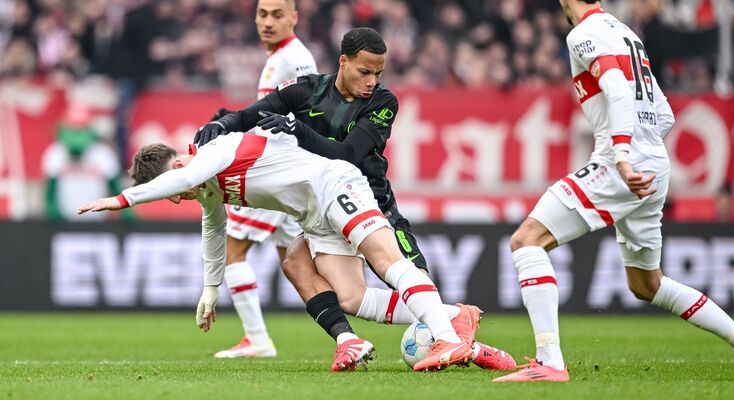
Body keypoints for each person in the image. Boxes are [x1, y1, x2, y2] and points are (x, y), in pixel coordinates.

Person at [493, 0, 734, 382]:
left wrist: (623, 155)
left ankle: (549, 362)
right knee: (647, 284)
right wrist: (643, 149)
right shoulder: (625, 32)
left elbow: (615, 87)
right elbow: (664, 114)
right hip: (653, 163)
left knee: (526, 241)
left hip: (621, 164)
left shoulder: (584, 33)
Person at [194, 27, 515, 371]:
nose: (372, 81)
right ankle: (444, 325)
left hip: (372, 204)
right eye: (365, 72)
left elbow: (347, 154)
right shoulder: (305, 90)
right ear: (343, 62)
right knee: (334, 288)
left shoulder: (383, 103)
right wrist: (223, 124)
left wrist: (299, 131)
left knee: (407, 278)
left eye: (379, 73)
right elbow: (250, 115)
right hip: (324, 207)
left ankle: (463, 341)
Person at [77, 131, 478, 373]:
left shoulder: (215, 152)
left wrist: (122, 199)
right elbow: (213, 229)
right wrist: (211, 290)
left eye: (176, 190)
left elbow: (189, 179)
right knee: (351, 298)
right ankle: (453, 317)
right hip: (314, 216)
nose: (181, 197)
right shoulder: (207, 185)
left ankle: (446, 338)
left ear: (179, 165)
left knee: (387, 262)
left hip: (335, 185)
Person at [211, 0, 317, 360]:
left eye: (277, 14)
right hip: (285, 170)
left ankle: (257, 339)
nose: (268, 22)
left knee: (232, 251)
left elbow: (308, 110)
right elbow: (275, 112)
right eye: (262, 14)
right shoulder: (280, 56)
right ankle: (348, 333)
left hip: (270, 170)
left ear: (294, 18)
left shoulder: (295, 58)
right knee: (299, 267)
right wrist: (237, 121)